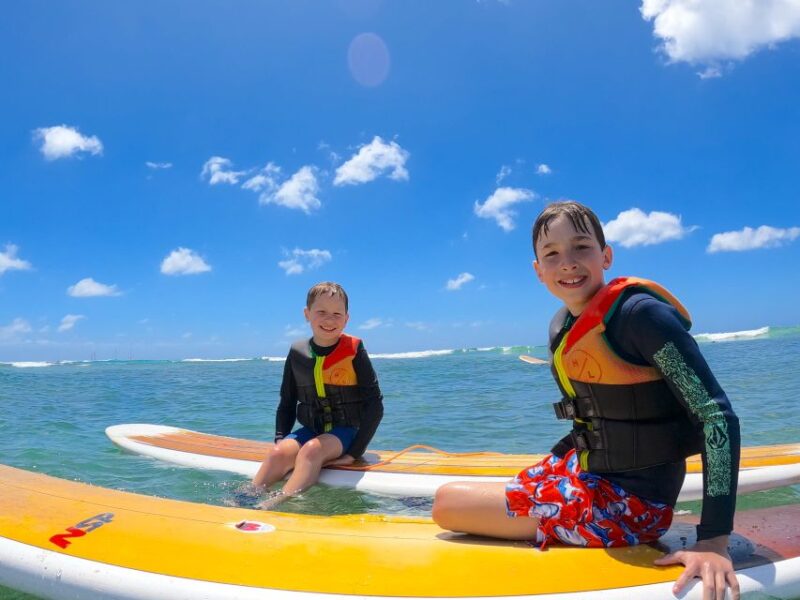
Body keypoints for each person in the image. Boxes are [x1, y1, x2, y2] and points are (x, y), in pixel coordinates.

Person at [432, 201, 741, 600]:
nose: (568, 263)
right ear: (538, 271)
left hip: (633, 505)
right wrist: (552, 467)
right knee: (454, 496)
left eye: (581, 247)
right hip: (588, 474)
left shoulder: (642, 318)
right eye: (552, 254)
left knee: (447, 506)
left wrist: (714, 539)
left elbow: (717, 418)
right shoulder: (563, 325)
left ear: (606, 255)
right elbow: (592, 417)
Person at [252, 281, 384, 506]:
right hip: (312, 429)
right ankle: (245, 497)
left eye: (336, 314)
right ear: (307, 314)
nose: (329, 320)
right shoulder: (297, 353)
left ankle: (276, 502)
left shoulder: (354, 350)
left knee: (311, 451)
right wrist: (281, 440)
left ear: (346, 318)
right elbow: (287, 401)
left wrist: (355, 452)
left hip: (346, 432)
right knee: (277, 454)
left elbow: (375, 405)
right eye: (321, 312)